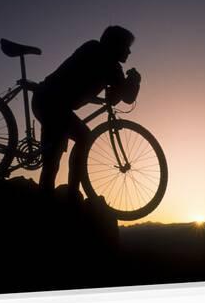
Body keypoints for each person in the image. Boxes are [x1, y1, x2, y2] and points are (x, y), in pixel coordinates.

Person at [31, 25, 142, 198]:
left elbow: (114, 98)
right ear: (116, 44)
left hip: (48, 100)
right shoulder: (106, 60)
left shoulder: (95, 50)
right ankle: (68, 196)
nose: (129, 52)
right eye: (126, 46)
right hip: (52, 103)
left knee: (58, 152)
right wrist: (134, 81)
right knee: (77, 141)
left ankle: (64, 195)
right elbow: (124, 98)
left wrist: (129, 82)